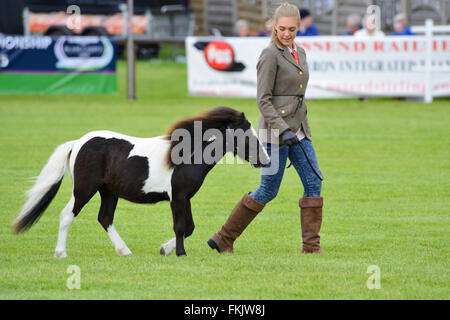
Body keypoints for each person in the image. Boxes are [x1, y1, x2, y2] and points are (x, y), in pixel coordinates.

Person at [207, 2, 325, 254]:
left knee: (313, 182)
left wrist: (296, 127)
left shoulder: (300, 51)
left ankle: (311, 248)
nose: (286, 34)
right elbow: (263, 99)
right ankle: (223, 238)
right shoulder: (269, 55)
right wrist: (282, 129)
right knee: (269, 189)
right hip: (275, 134)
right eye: (281, 28)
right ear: (274, 25)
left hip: (300, 130)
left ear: (298, 28)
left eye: (292, 29)